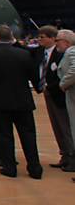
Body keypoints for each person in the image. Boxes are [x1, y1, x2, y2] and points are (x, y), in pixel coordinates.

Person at [0, 25, 42, 179]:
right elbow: (33, 75)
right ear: (11, 37)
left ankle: (9, 167)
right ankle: (35, 168)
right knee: (28, 135)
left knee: (5, 135)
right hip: (23, 100)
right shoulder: (24, 54)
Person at [33, 26, 75, 171]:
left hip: (61, 94)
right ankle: (64, 155)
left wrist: (59, 86)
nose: (39, 40)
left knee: (66, 127)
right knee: (57, 126)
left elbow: (69, 73)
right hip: (49, 94)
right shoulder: (41, 52)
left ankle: (71, 157)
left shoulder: (67, 54)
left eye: (42, 37)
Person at [55, 29, 75, 183]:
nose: (56, 43)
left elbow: (74, 70)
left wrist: (63, 84)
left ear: (66, 42)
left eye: (58, 40)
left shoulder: (71, 52)